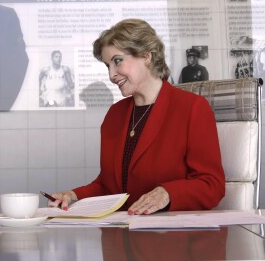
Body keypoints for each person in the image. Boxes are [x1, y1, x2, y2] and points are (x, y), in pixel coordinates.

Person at [47, 19, 225, 215]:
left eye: (117, 61)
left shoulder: (192, 108)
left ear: (146, 56)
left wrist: (167, 193)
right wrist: (73, 195)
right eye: (108, 66)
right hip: (121, 233)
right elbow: (109, 187)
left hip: (170, 236)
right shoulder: (115, 114)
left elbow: (212, 185)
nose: (111, 75)